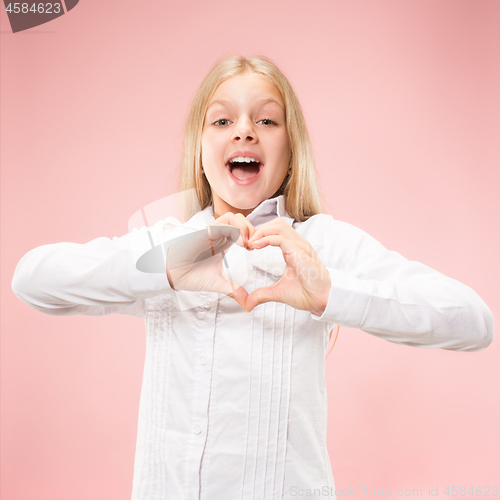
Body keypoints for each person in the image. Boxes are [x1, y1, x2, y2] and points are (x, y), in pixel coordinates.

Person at [11, 54, 494, 500]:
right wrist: (173, 266)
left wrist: (330, 292)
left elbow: (473, 321)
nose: (245, 131)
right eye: (222, 120)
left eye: (266, 119)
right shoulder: (167, 244)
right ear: (200, 149)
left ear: (291, 150)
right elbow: (32, 279)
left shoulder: (322, 244)